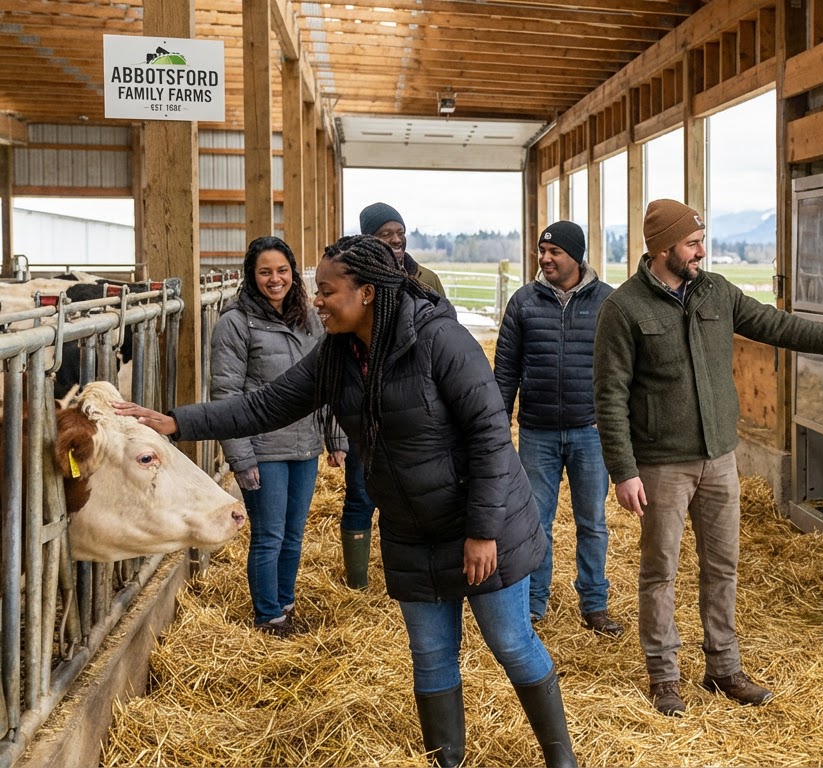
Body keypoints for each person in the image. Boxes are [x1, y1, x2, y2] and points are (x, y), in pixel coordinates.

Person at [118, 235, 576, 768]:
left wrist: (482, 531)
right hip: (409, 528)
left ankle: (560, 759)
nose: (315, 300)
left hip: (482, 523)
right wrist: (177, 421)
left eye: (327, 291)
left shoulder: (440, 341)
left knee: (511, 643)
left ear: (366, 293)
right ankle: (446, 761)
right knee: (431, 657)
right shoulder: (339, 354)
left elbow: (491, 437)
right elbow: (266, 405)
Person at [593, 199, 823, 716]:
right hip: (661, 464)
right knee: (659, 572)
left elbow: (779, 326)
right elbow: (609, 395)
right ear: (664, 247)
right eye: (692, 242)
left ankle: (723, 667)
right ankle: (664, 676)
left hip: (719, 458)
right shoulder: (625, 309)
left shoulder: (717, 291)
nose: (701, 250)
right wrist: (623, 471)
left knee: (723, 566)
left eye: (701, 240)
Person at [210, 236, 345, 637]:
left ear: (293, 273)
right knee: (268, 535)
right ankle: (268, 616)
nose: (275, 279)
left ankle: (286, 603)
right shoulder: (235, 323)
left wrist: (335, 438)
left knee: (293, 533)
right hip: (262, 447)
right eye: (265, 272)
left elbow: (327, 381)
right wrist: (241, 457)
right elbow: (225, 395)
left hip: (303, 444)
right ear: (252, 276)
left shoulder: (310, 320)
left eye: (282, 270)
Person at [494, 221, 622, 636]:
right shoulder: (523, 303)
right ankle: (533, 603)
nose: (545, 259)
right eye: (541, 251)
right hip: (538, 431)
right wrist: (497, 426)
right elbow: (506, 371)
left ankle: (594, 603)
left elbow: (623, 371)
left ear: (576, 256)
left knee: (593, 523)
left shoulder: (607, 303)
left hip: (591, 431)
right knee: (534, 522)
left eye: (555, 252)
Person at [337, 202, 449, 589]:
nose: (397, 240)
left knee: (410, 497)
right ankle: (357, 583)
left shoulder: (426, 279)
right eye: (386, 234)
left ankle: (401, 574)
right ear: (369, 239)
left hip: (415, 408)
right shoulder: (352, 284)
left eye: (400, 232)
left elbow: (447, 336)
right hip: (366, 412)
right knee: (360, 494)